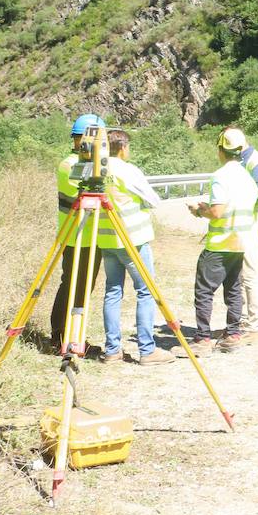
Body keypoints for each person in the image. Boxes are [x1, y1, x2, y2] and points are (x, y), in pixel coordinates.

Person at [99, 129, 172, 365]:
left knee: (112, 291)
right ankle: (147, 350)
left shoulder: (96, 168)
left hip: (107, 240)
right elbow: (153, 200)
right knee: (145, 291)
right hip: (132, 240)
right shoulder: (126, 170)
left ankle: (112, 350)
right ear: (122, 147)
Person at [183, 130, 258, 355]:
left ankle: (203, 339)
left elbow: (217, 212)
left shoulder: (220, 176)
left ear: (220, 150)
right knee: (233, 289)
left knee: (204, 291)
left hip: (220, 243)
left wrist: (198, 211)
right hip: (240, 242)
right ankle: (233, 334)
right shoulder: (247, 176)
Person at [49, 113, 106, 354]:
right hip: (77, 237)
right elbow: (93, 196)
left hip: (88, 236)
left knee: (81, 286)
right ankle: (63, 336)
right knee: (75, 286)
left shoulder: (85, 165)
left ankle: (69, 335)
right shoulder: (70, 165)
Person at [220, 126, 258, 344]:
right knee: (240, 277)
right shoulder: (243, 161)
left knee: (250, 276)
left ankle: (253, 326)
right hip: (243, 225)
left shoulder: (256, 163)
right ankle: (243, 322)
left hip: (253, 225)